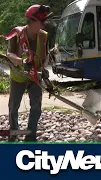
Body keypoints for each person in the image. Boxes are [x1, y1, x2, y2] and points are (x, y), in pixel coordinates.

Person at [5, 4, 52, 141]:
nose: (44, 24)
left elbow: (45, 55)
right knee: (14, 106)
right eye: (42, 21)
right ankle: (14, 134)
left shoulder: (44, 36)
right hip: (19, 76)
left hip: (35, 76)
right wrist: (21, 61)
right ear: (32, 21)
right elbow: (9, 54)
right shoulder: (17, 34)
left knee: (36, 107)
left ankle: (30, 136)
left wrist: (43, 69)